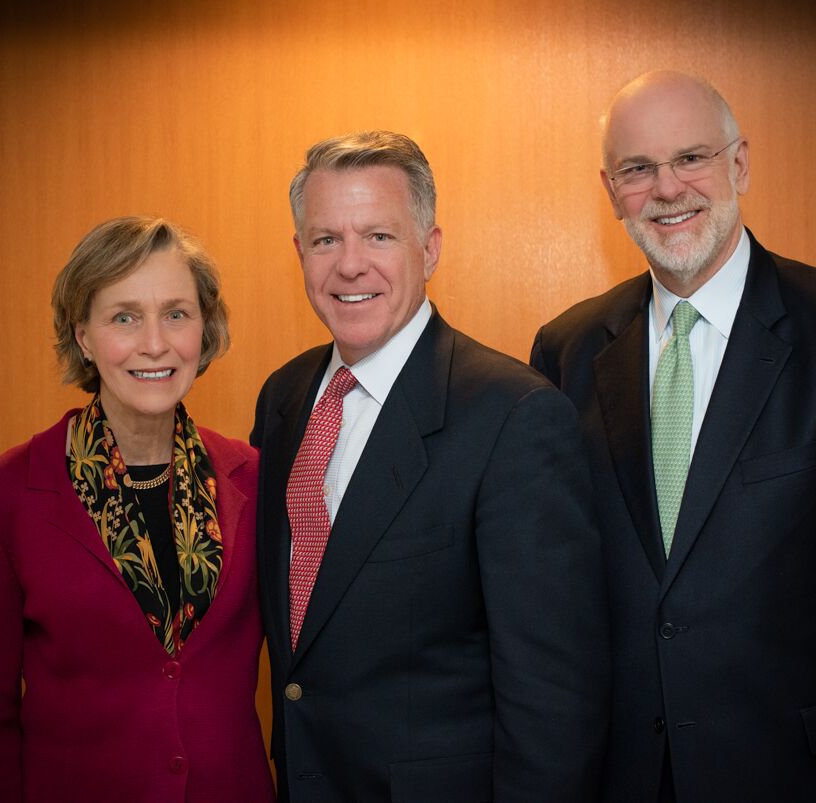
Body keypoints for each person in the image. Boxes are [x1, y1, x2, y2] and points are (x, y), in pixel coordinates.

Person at [531, 70, 816, 802]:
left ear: (739, 163)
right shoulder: (568, 350)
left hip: (800, 775)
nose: (667, 188)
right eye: (637, 169)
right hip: (623, 776)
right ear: (610, 188)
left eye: (691, 158)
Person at [250, 130, 609, 802]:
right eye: (326, 239)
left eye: (378, 237)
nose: (349, 265)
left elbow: (555, 702)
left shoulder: (514, 415)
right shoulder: (284, 398)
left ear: (430, 248)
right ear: (301, 253)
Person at [0, 217, 275, 802]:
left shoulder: (254, 480)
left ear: (203, 329)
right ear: (83, 335)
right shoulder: (6, 494)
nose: (154, 343)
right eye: (124, 317)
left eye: (176, 313)